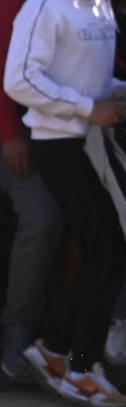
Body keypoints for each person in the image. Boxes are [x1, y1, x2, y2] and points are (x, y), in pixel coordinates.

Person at [4, 0, 126, 407]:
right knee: (111, 246)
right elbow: (19, 80)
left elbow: (96, 82)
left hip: (94, 142)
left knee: (113, 247)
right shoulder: (44, 7)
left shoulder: (100, 7)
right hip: (60, 144)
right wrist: (89, 108)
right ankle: (78, 367)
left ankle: (60, 352)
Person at [0, 0, 62, 386]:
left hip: (35, 137)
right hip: (13, 137)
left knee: (43, 218)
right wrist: (9, 137)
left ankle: (17, 334)